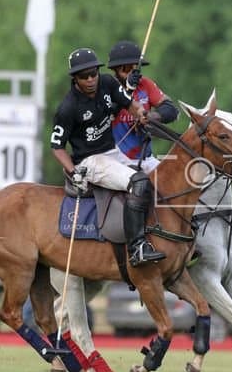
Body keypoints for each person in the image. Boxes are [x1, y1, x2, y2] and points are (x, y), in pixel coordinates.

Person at [48, 47, 159, 266]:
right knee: (138, 183)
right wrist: (73, 172)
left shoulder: (107, 83)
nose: (90, 79)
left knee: (161, 181)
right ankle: (137, 248)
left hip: (114, 153)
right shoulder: (68, 108)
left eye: (93, 73)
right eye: (84, 76)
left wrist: (141, 114)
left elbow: (130, 103)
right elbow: (57, 146)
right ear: (74, 78)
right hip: (91, 162)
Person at [106, 40, 179, 175]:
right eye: (127, 69)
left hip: (146, 160)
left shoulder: (145, 84)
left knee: (174, 182)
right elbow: (107, 113)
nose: (133, 73)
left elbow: (171, 109)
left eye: (135, 68)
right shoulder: (106, 87)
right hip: (114, 160)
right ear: (116, 69)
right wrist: (127, 90)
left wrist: (152, 116)